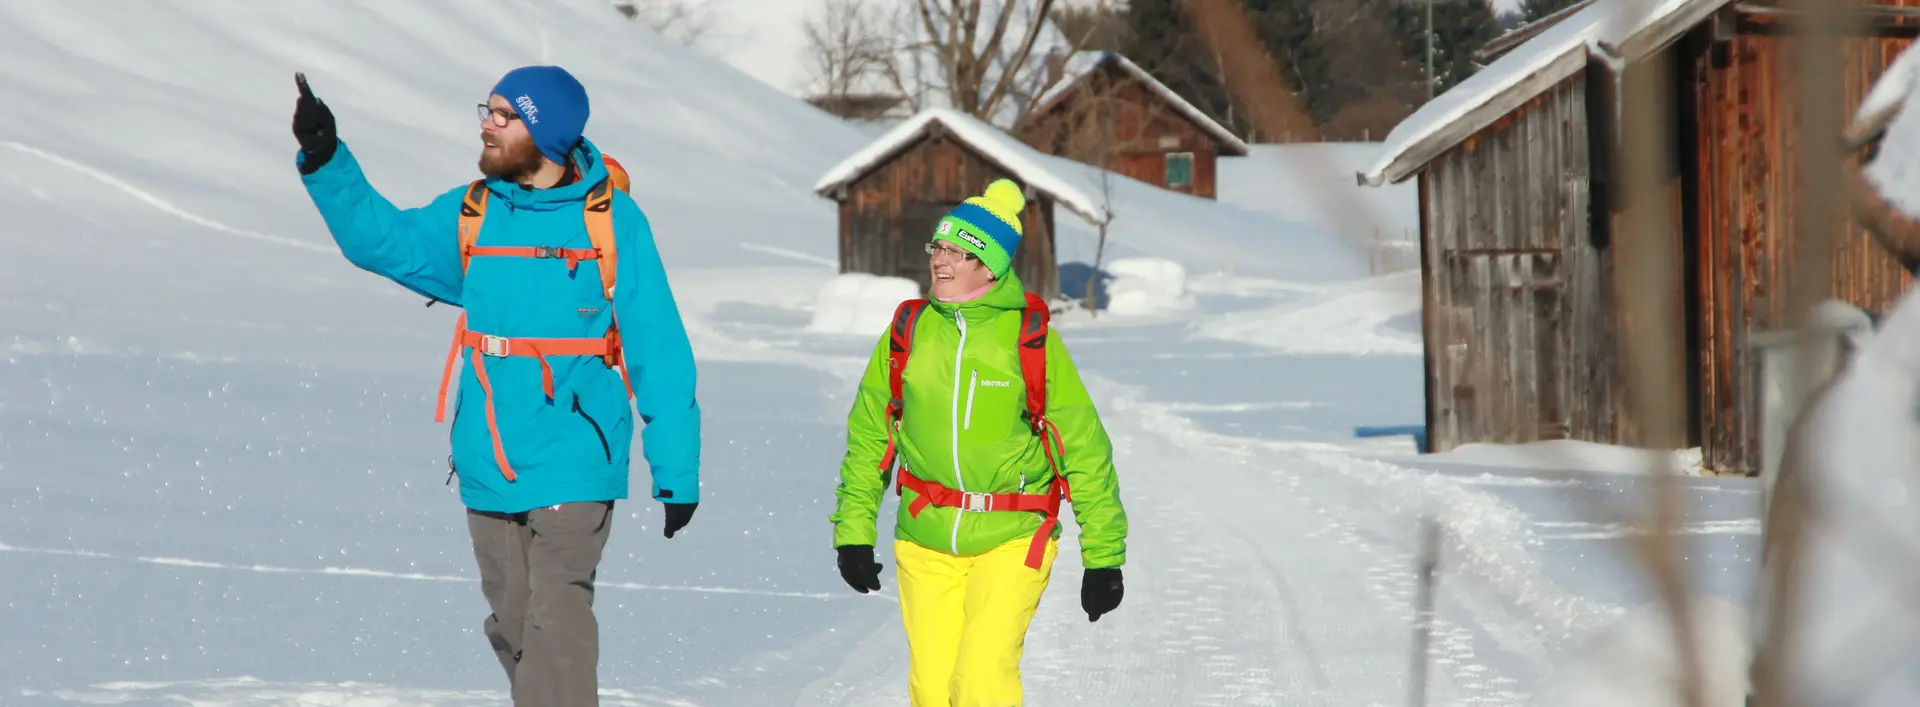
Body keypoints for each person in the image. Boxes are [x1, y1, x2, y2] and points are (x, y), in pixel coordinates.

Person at [289, 66, 702, 707]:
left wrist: (675, 467)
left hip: (575, 454)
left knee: (556, 619)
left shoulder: (611, 222)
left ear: (547, 134)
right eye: (490, 109)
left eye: (506, 115)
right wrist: (325, 158)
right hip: (487, 457)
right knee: (513, 627)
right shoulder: (475, 212)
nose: (487, 122)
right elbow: (384, 242)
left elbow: (659, 347)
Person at [829, 179, 1129, 707]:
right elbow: (870, 437)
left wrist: (1103, 557)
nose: (941, 261)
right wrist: (853, 533)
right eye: (938, 248)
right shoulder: (906, 332)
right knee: (934, 689)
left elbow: (1082, 449)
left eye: (958, 252)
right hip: (924, 540)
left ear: (989, 266)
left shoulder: (1029, 340)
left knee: (981, 682)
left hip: (1013, 536)